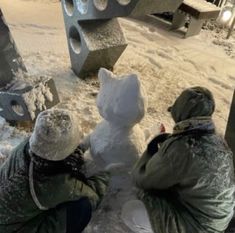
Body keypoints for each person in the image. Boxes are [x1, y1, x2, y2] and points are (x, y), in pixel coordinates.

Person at [132, 87, 235, 233]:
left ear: (180, 113)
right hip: (220, 219)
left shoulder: (183, 148)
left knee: (133, 211)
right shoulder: (217, 139)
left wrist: (151, 149)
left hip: (199, 226)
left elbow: (142, 179)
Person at [0, 109, 110, 233]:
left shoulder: (28, 146)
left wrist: (83, 146)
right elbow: (93, 196)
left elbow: (55, 149)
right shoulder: (55, 184)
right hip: (14, 229)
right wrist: (106, 171)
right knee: (82, 207)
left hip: (10, 214)